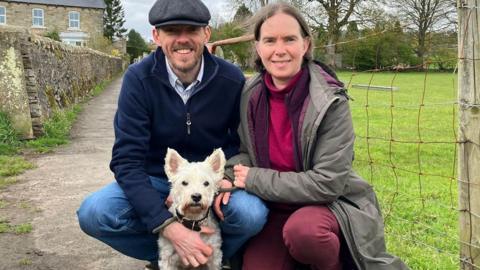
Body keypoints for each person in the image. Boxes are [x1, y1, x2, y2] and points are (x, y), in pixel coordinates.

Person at [214, 3, 409, 270]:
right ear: (258, 48)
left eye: (289, 39)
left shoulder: (330, 101)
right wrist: (227, 176)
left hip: (328, 208)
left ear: (305, 45)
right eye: (270, 40)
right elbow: (248, 152)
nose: (279, 50)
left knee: (305, 233)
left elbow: (328, 184)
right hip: (275, 208)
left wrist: (255, 178)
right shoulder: (250, 94)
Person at [76, 0, 268, 269]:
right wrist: (168, 226)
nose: (182, 39)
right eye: (171, 31)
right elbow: (126, 161)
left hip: (212, 179)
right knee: (95, 214)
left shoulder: (232, 79)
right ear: (156, 36)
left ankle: (217, 254)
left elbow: (244, 143)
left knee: (251, 215)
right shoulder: (137, 80)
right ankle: (170, 254)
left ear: (206, 34)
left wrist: (224, 177)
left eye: (191, 30)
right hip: (156, 178)